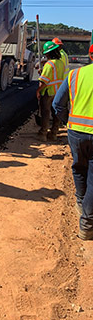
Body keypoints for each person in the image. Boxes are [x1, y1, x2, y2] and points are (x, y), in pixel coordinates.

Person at [53, 44, 93, 240]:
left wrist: (66, 121)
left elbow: (57, 104)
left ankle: (80, 202)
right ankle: (86, 225)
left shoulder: (75, 75)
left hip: (76, 132)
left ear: (90, 55)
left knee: (78, 168)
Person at [36, 41, 65, 141]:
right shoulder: (61, 63)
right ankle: (54, 133)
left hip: (49, 92)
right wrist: (43, 71)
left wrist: (38, 91)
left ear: (48, 53)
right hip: (59, 92)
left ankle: (43, 133)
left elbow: (44, 81)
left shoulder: (49, 64)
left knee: (45, 112)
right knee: (56, 113)